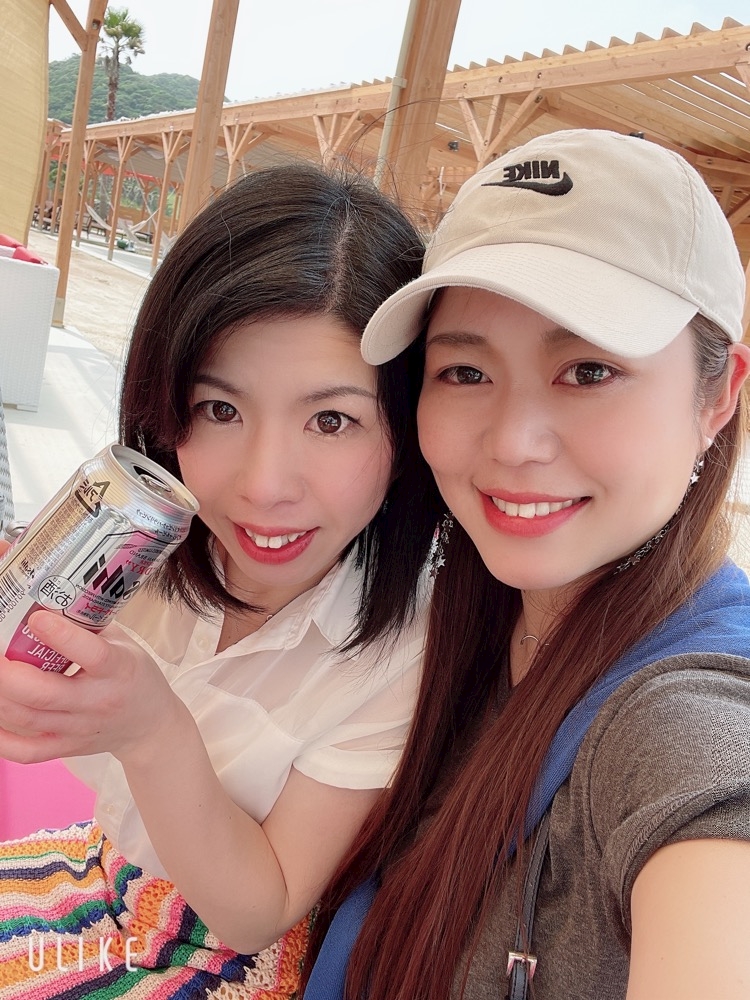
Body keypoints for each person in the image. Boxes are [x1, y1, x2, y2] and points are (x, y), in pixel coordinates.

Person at [303, 129, 750, 1000]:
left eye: (587, 370)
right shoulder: (470, 611)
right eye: (466, 371)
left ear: (718, 395)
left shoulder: (686, 718)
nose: (511, 442)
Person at [0, 163, 435, 998]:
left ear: (408, 431)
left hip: (221, 962)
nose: (264, 486)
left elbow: (258, 910)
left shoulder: (401, 649)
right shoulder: (139, 538)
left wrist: (151, 730)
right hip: (95, 877)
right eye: (221, 410)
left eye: (332, 419)